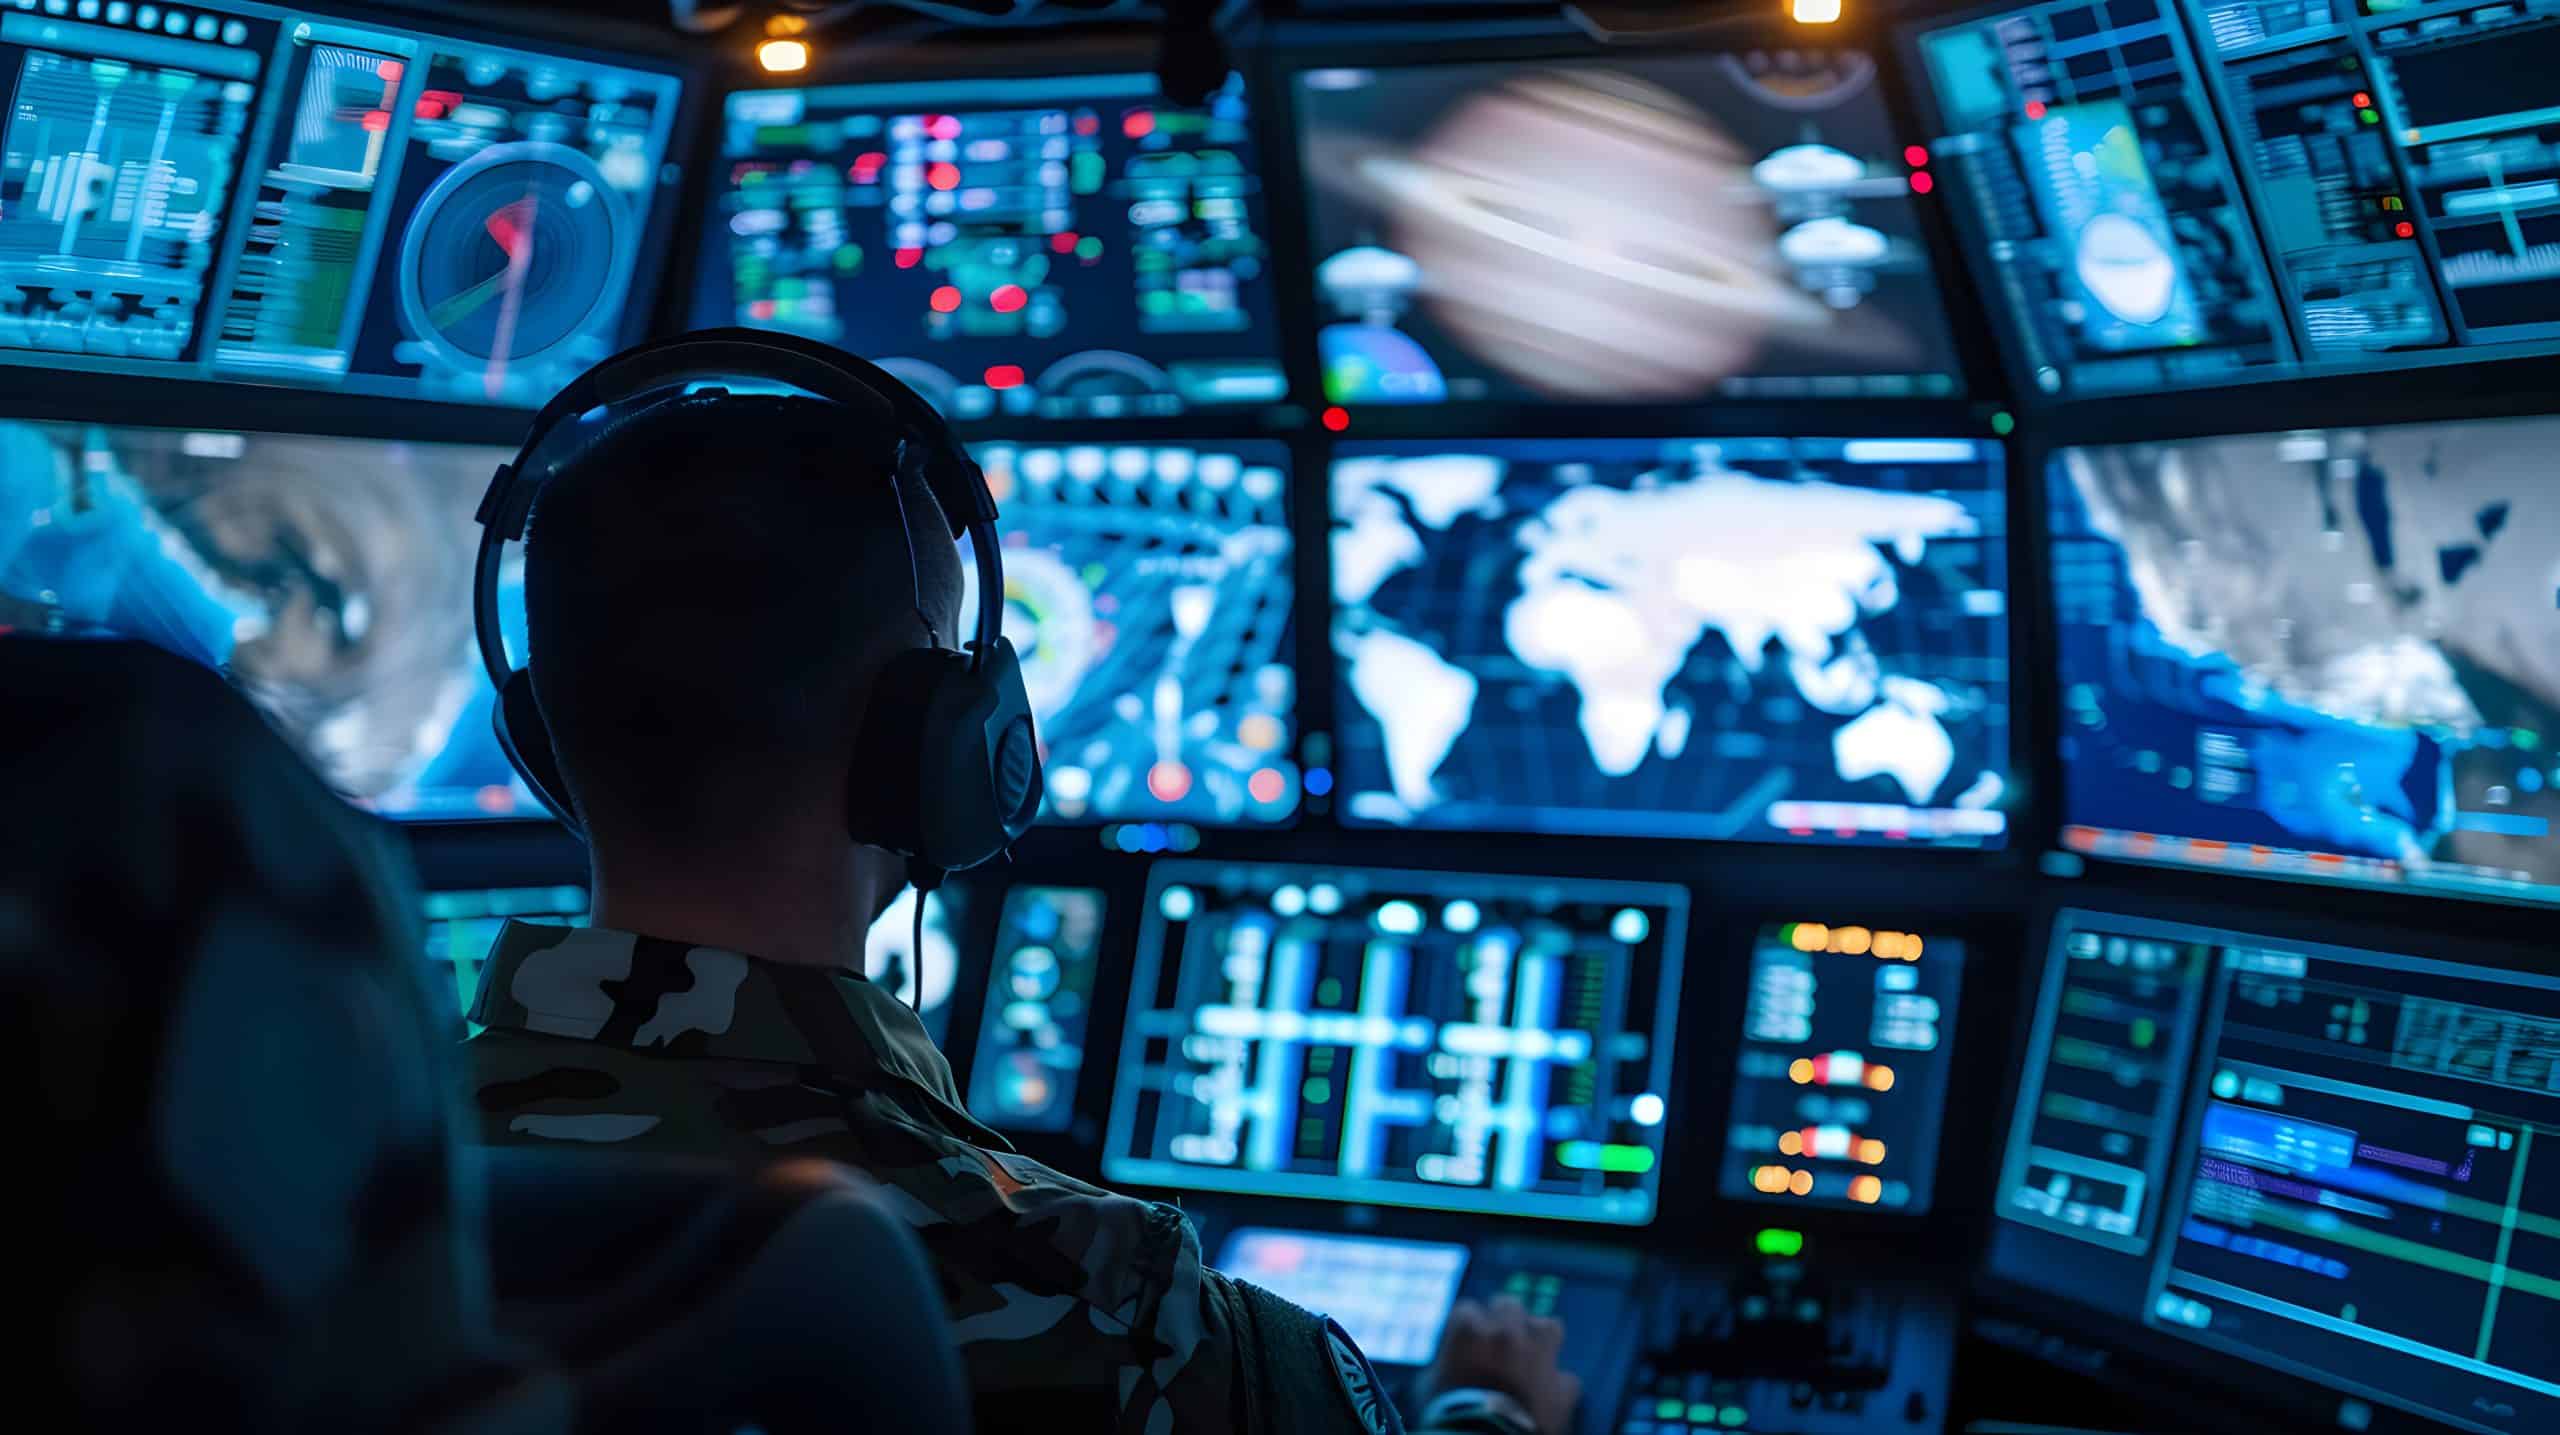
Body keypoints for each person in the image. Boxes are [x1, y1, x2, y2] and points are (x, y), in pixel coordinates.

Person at [460, 389, 1582, 1435]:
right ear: (941, 746)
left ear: (538, 733)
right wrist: (1491, 1406)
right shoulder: (1112, 1299)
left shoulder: (343, 1165)